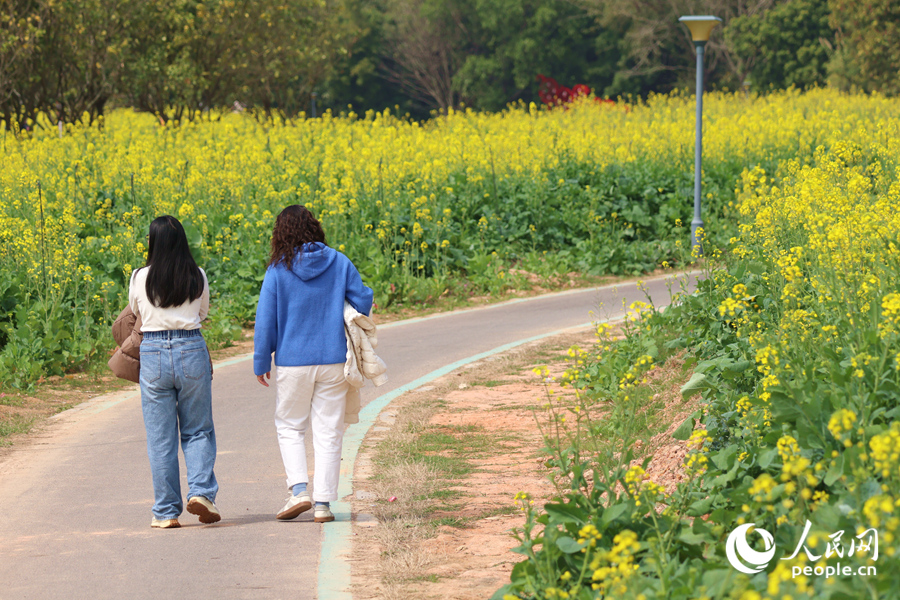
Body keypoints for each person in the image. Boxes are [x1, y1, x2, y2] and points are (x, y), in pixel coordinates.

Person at [253, 205, 373, 523]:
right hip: (334, 360)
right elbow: (363, 300)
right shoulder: (339, 261)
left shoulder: (278, 269)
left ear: (281, 233)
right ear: (315, 228)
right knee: (329, 432)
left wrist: (261, 359)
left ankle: (298, 491)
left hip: (292, 362)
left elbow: (265, 319)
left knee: (290, 426)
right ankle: (322, 504)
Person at [130, 215, 220, 529]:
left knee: (160, 438)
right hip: (190, 349)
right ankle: (201, 492)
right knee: (197, 430)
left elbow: (135, 312)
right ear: (182, 241)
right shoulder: (197, 275)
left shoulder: (139, 276)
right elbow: (203, 312)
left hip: (153, 352)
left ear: (152, 243)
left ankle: (166, 512)